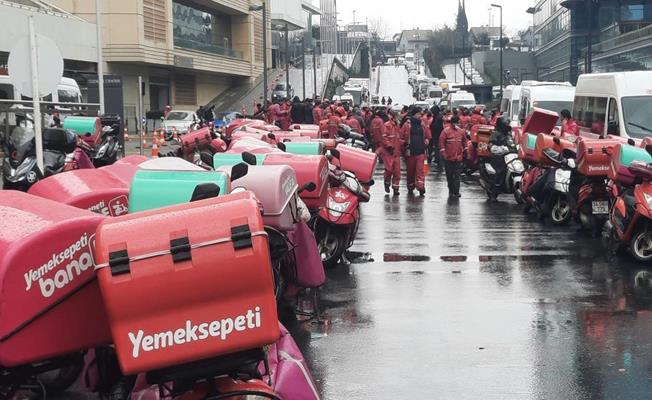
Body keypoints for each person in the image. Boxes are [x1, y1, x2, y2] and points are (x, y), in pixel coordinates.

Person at [484, 115, 515, 201]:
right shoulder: (496, 134)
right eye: (506, 123)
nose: (508, 124)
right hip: (498, 158)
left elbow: (513, 143)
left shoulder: (509, 134)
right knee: (499, 173)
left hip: (510, 157)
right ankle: (493, 193)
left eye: (508, 122)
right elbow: (490, 146)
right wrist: (502, 149)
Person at [401, 108, 430, 196]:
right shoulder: (407, 125)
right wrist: (404, 145)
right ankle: (410, 186)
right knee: (410, 171)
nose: (419, 115)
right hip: (410, 152)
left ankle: (421, 186)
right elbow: (401, 137)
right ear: (413, 115)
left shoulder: (422, 124)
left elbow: (427, 135)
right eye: (418, 114)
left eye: (420, 114)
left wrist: (427, 141)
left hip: (421, 152)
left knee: (420, 170)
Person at [439, 115, 468, 197]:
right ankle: (451, 190)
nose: (458, 124)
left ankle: (456, 191)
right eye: (457, 123)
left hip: (458, 158)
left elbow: (465, 142)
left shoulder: (461, 132)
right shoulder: (445, 132)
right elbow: (441, 143)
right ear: (453, 123)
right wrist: (444, 154)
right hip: (448, 158)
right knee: (450, 175)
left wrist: (466, 153)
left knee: (457, 175)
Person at [382, 110, 402, 195]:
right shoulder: (387, 125)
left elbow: (399, 138)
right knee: (389, 170)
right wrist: (389, 146)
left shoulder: (397, 126)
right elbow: (384, 137)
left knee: (397, 172)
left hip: (396, 152)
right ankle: (387, 183)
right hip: (389, 152)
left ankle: (396, 188)